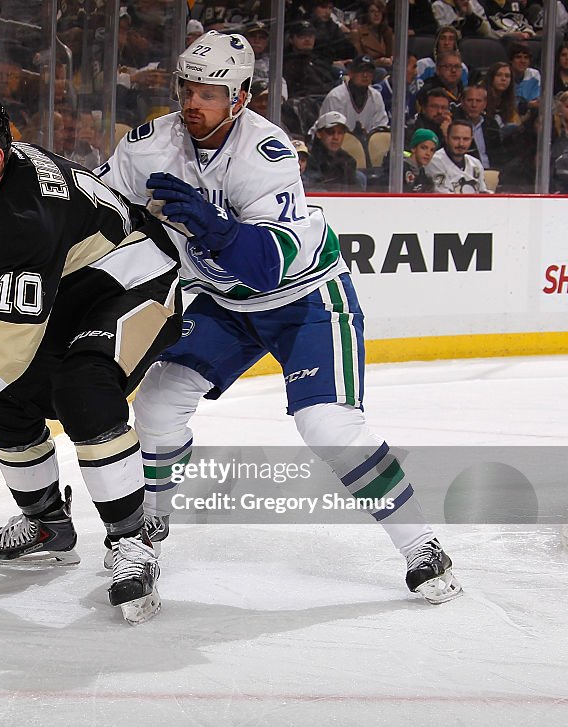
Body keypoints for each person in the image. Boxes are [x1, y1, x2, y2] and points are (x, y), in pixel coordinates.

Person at [96, 30, 462, 605]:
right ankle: (147, 529)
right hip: (225, 302)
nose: (193, 102)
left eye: (210, 93)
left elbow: (267, 267)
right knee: (158, 403)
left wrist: (216, 228)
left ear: (240, 98)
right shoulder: (149, 145)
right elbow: (100, 210)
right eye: (188, 88)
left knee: (329, 427)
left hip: (306, 299)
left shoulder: (266, 153)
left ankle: (421, 545)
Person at [0, 88, 182, 624]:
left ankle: (133, 541)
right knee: (0, 392)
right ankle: (47, 522)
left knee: (83, 387)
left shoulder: (24, 213)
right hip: (71, 289)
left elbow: (7, 339)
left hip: (135, 281)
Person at [319, 55, 389, 140]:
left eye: (369, 71)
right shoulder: (336, 97)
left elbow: (380, 127)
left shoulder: (376, 96)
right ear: (351, 73)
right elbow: (330, 133)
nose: (365, 75)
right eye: (361, 71)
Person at [426, 118, 489, 192]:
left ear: (471, 140)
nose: (461, 144)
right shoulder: (434, 161)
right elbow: (442, 195)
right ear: (447, 138)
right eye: (456, 138)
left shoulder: (476, 164)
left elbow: (483, 191)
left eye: (466, 139)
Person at [305, 110, 363, 191]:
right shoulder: (309, 159)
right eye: (330, 132)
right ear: (319, 134)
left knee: (360, 177)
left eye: (340, 133)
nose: (336, 137)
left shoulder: (348, 161)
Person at [403, 127, 439, 192]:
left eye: (432, 150)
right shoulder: (400, 169)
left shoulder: (426, 177)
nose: (428, 153)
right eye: (424, 148)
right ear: (413, 148)